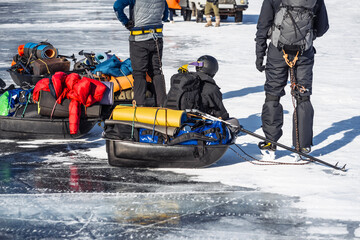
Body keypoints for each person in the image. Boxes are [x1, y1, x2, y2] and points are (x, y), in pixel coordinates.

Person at [255, 0, 329, 153]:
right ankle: (302, 145)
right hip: (304, 53)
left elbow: (263, 26)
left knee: (272, 95)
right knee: (303, 96)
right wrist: (307, 36)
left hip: (277, 52)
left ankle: (270, 141)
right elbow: (322, 27)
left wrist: (259, 55)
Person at [113, 0, 169, 107]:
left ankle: (140, 105)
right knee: (156, 72)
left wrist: (125, 22)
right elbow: (166, 14)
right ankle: (162, 104)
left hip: (139, 39)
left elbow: (117, 6)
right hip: (156, 38)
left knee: (139, 73)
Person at [165, 55, 229, 120]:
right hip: (196, 123)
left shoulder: (186, 81)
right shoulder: (211, 87)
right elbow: (221, 113)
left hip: (171, 118)